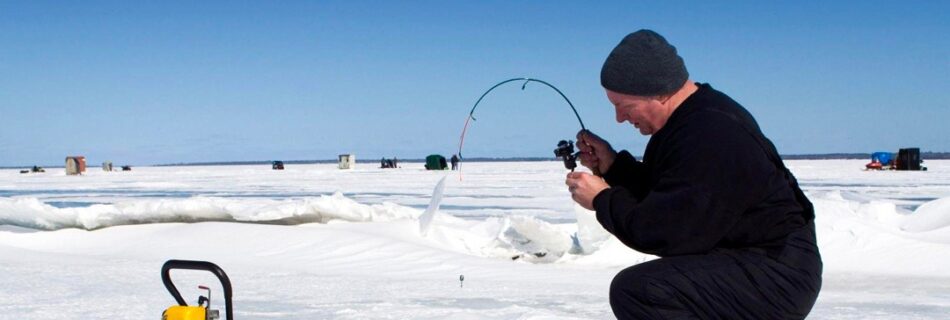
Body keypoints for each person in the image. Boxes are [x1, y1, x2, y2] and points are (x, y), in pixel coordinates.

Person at [564, 29, 822, 319]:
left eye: (624, 106)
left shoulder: (711, 133)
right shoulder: (689, 121)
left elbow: (666, 231)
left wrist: (602, 199)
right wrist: (613, 166)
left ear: (660, 92)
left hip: (777, 272)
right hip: (758, 260)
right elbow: (668, 195)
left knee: (642, 290)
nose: (620, 118)